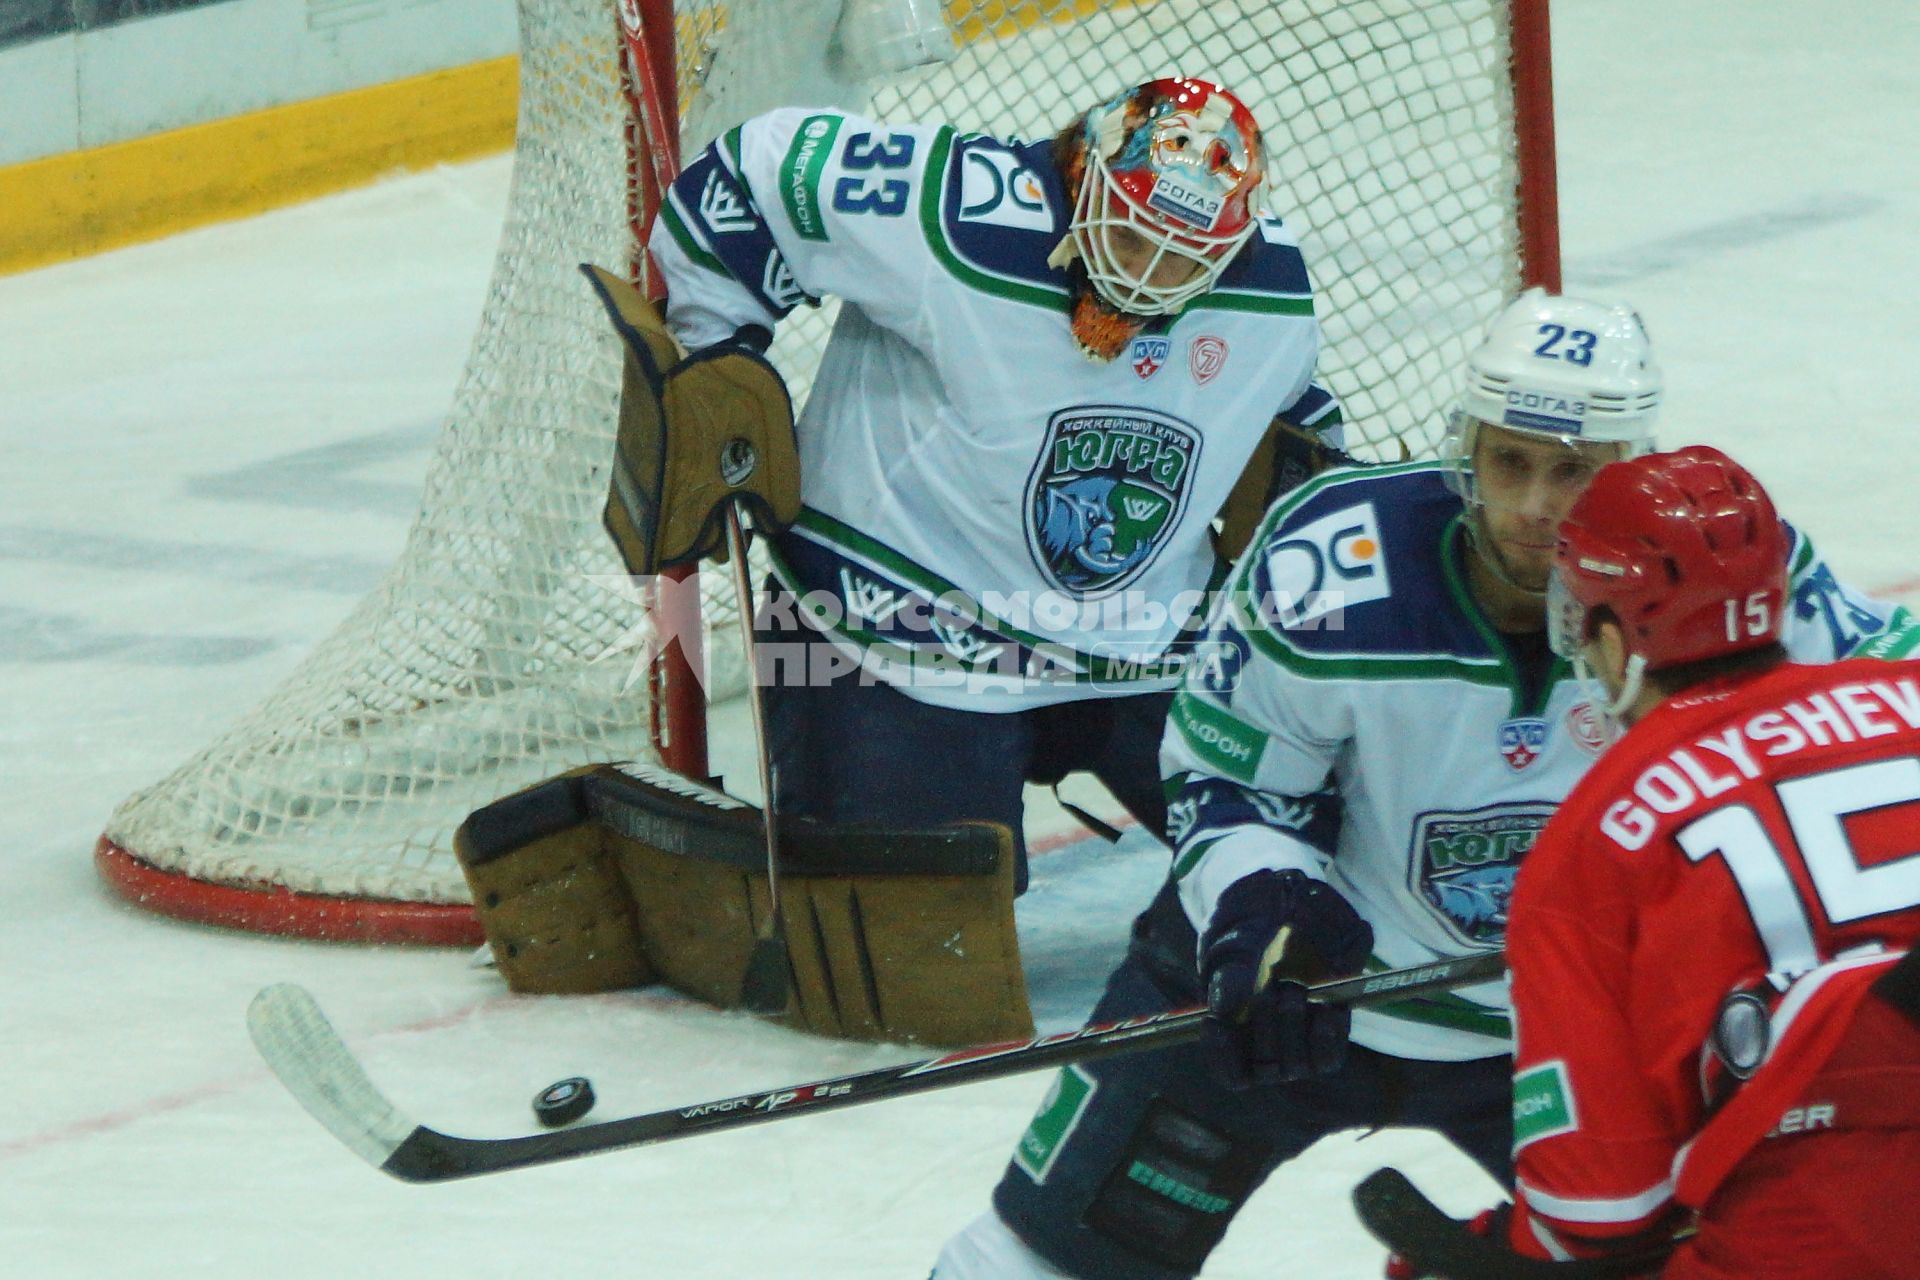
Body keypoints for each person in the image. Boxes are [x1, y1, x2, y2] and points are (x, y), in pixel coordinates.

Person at [930, 290, 1920, 1280]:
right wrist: (1261, 900)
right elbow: (1231, 782)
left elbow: (1892, 698)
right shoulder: (1329, 560)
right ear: (1468, 446)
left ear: (1631, 461)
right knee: (1035, 1263)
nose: (1535, 505)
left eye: (1573, 470)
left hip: (1564, 1031)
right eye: (1509, 460)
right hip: (1297, 997)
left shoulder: (1720, 566)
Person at [648, 77, 1341, 880]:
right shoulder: (960, 210)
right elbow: (755, 173)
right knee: (921, 957)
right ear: (1083, 177)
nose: (1150, 276)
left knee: (1319, 876)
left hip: (1144, 642)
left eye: (1184, 257)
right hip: (900, 634)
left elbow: (1294, 422)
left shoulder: (1271, 290)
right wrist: (717, 353)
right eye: (1130, 239)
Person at [1445, 445, 1920, 1279]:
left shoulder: (1590, 847)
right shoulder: (1908, 691)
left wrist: (1492, 1250)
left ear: (1607, 633)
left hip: (1835, 1219)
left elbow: (1599, 1209)